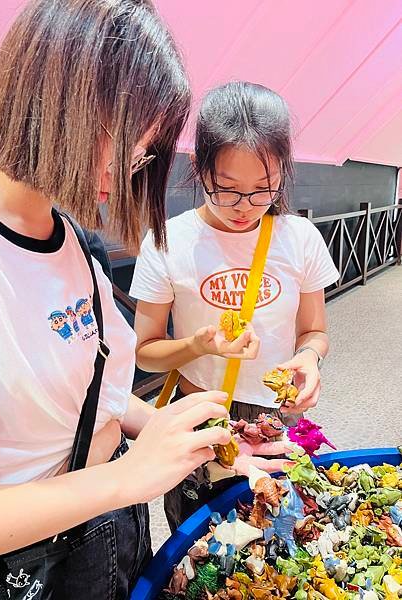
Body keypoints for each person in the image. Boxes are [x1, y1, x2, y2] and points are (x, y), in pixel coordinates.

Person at [0, 1, 233, 596]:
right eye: (135, 142)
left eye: (148, 151)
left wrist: (186, 437)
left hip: (107, 539)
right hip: (18, 571)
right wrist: (128, 477)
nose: (136, 166)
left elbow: (94, 393)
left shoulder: (77, 240)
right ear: (66, 99)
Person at [130, 81, 340, 530]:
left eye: (264, 188)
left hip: (276, 418)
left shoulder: (299, 239)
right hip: (200, 411)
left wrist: (308, 357)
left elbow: (314, 332)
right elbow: (145, 349)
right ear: (199, 168)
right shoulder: (169, 240)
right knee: (197, 536)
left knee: (277, 530)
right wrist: (198, 345)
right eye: (226, 188)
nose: (246, 207)